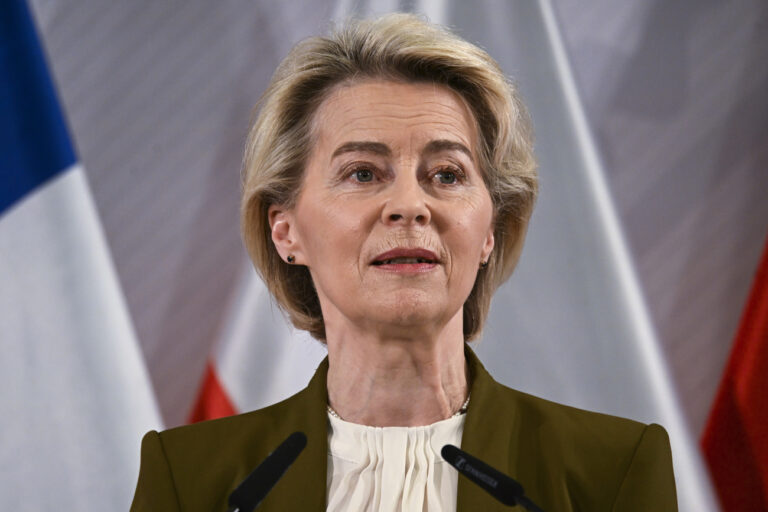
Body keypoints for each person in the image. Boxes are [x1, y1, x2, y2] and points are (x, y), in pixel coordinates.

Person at [130, 13, 677, 511]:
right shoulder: (192, 481)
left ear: (490, 230)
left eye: (447, 175)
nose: (411, 207)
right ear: (286, 230)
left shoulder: (612, 472)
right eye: (363, 173)